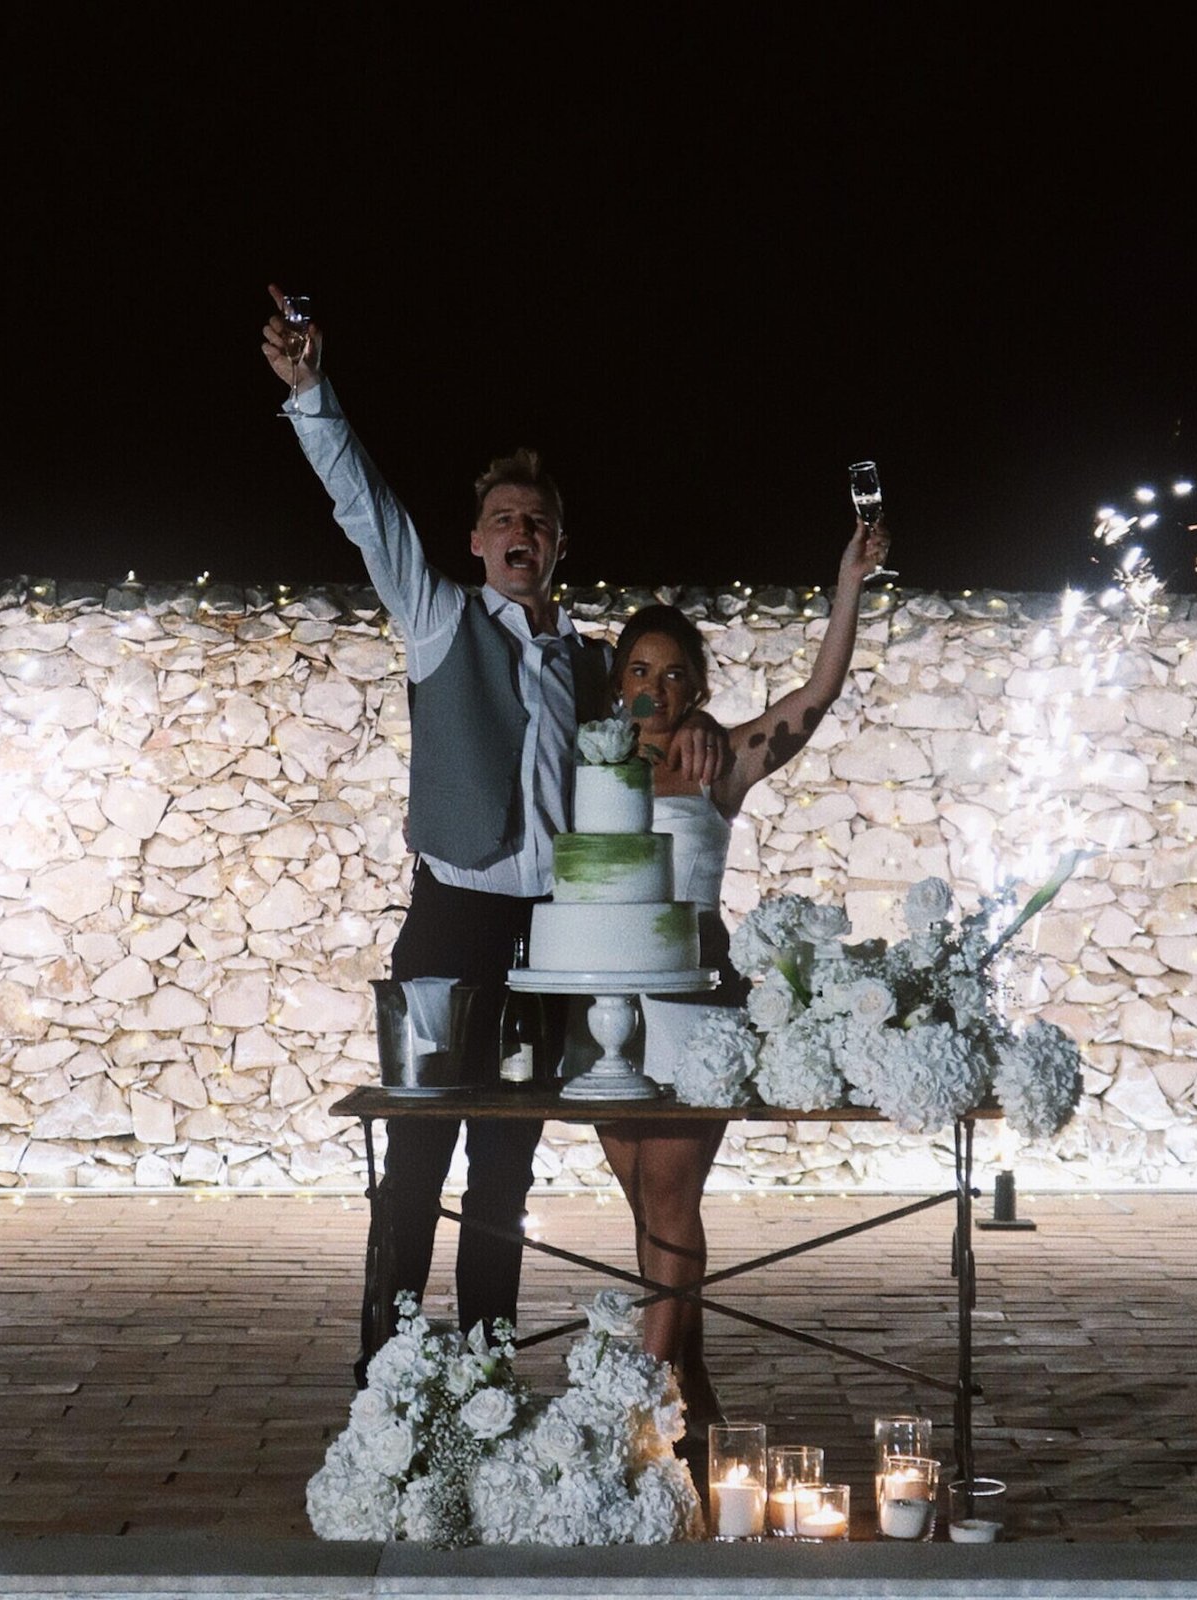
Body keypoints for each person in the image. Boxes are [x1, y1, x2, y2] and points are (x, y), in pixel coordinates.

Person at [259, 286, 728, 1379]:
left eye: (539, 521)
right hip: (450, 920)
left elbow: (667, 707)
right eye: (504, 519)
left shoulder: (597, 664)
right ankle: (385, 1366)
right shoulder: (439, 618)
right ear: (476, 540)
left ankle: (480, 1368)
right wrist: (311, 394)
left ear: (561, 544)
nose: (521, 532)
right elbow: (366, 509)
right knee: (415, 1154)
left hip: (550, 938)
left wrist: (696, 719)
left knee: (506, 1167)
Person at [596, 517, 890, 1425]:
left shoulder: (718, 767)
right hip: (602, 1008)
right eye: (641, 672)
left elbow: (820, 692)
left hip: (695, 1004)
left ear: (700, 690)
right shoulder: (586, 766)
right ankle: (698, 1400)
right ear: (620, 688)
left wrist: (846, 583)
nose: (659, 688)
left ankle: (646, 1402)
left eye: (677, 674)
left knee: (672, 1200)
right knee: (645, 1215)